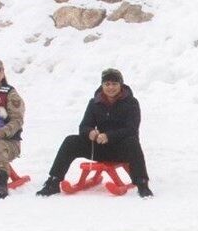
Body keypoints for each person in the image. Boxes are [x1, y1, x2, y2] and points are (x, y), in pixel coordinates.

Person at [36, 68, 153, 198]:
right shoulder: (94, 103)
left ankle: (142, 184)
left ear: (121, 85)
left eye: (114, 84)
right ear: (102, 85)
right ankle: (53, 181)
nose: (111, 87)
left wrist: (109, 136)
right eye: (107, 84)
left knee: (132, 142)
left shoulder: (131, 103)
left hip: (121, 149)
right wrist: (90, 132)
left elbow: (131, 129)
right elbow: (84, 126)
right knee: (70, 141)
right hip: (99, 147)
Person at [0, 58, 25, 199]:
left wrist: (2, 132)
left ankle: (1, 181)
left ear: (3, 73)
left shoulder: (10, 94)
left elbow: (17, 120)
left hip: (9, 143)